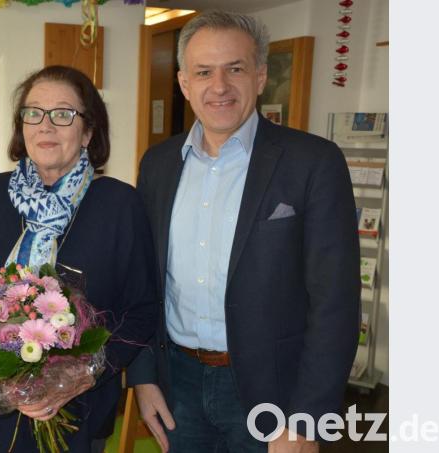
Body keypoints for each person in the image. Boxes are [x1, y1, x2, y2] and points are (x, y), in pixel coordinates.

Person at [126, 10, 361, 453]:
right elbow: (144, 284)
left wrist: (308, 421)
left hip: (274, 394)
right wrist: (144, 379)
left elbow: (336, 304)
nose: (219, 86)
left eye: (235, 68)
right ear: (183, 83)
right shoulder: (157, 165)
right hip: (179, 385)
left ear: (259, 76)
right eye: (203, 72)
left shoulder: (313, 162)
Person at [0, 65, 159, 453]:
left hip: (82, 415)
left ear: (89, 131)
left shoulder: (119, 203)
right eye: (33, 112)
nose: (46, 125)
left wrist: (85, 372)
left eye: (63, 114)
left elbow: (142, 310)